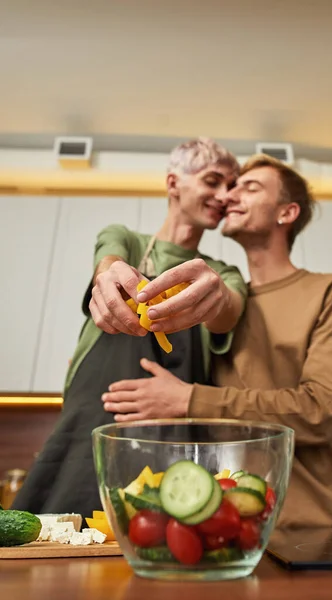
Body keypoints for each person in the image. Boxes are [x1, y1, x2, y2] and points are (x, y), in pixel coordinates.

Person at [102, 154, 332, 529]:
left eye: (250, 187)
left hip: (318, 525)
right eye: (231, 187)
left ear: (287, 213)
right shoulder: (210, 303)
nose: (229, 196)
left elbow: (320, 411)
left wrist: (188, 399)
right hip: (228, 527)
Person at [13, 138, 247, 517]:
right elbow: (108, 257)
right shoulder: (126, 241)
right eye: (213, 180)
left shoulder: (222, 273)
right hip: (93, 418)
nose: (224, 195)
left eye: (231, 186)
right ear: (174, 184)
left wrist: (216, 296)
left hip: (177, 434)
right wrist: (107, 276)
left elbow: (229, 310)